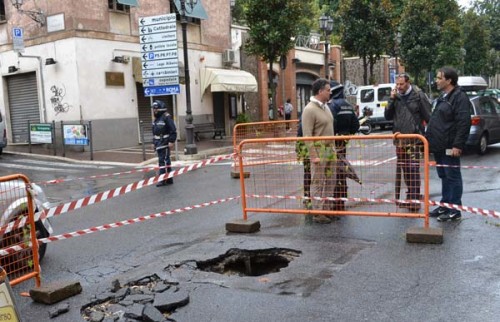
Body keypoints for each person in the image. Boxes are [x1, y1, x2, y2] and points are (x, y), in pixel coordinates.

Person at [425, 67, 471, 221]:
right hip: (439, 145)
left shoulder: (459, 97)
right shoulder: (443, 97)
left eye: (439, 78)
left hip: (450, 146)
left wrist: (457, 145)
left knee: (453, 176)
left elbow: (464, 122)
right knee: (444, 175)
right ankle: (445, 205)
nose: (436, 81)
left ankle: (455, 208)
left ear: (449, 80)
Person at [384, 73, 431, 211]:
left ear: (408, 82)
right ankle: (410, 194)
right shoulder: (395, 97)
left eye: (401, 84)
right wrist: (391, 100)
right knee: (405, 169)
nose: (399, 87)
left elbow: (428, 115)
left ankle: (414, 198)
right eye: (397, 84)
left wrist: (428, 135)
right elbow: (387, 116)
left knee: (413, 168)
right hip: (400, 140)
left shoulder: (418, 95)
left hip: (415, 140)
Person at [301, 78, 336, 223]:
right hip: (319, 151)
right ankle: (317, 211)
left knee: (330, 180)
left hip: (330, 150)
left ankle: (327, 208)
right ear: (320, 91)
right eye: (328, 90)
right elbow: (307, 135)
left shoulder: (326, 107)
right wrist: (314, 155)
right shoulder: (309, 110)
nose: (330, 92)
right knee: (318, 181)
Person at [328, 81, 360, 211]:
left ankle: (335, 199)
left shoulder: (332, 105)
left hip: (333, 141)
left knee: (333, 170)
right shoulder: (348, 105)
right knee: (342, 168)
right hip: (344, 141)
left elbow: (331, 122)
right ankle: (342, 197)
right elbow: (356, 125)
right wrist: (347, 134)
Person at [152, 100, 177, 187]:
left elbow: (173, 130)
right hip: (158, 143)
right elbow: (155, 132)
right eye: (154, 109)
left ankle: (164, 179)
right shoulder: (156, 119)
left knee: (165, 162)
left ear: (160, 109)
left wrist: (171, 141)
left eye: (156, 109)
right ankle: (168, 178)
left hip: (165, 143)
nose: (154, 111)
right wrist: (154, 143)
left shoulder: (166, 117)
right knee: (161, 161)